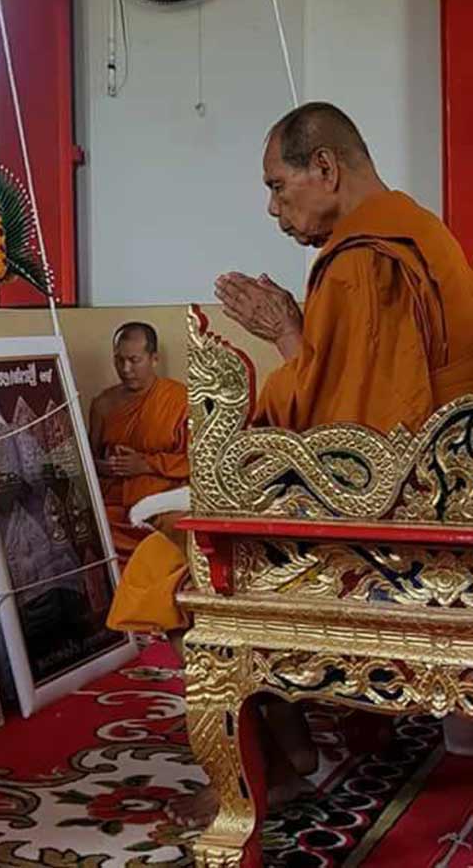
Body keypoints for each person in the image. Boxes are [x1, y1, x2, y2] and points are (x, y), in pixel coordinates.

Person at [108, 101, 473, 825]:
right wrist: (296, 333)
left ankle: (265, 769)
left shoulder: (363, 264)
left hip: (404, 534)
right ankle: (297, 746)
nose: (273, 208)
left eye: (278, 185)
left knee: (175, 564)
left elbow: (348, 447)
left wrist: (283, 336)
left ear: (326, 168)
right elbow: (366, 402)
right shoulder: (420, 230)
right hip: (445, 499)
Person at [89, 322, 189, 559]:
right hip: (113, 504)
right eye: (119, 360)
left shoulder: (179, 399)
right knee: (87, 533)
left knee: (176, 531)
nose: (126, 369)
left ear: (154, 359)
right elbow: (88, 461)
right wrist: (107, 466)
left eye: (134, 360)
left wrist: (145, 464)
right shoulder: (103, 404)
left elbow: (199, 462)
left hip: (160, 499)